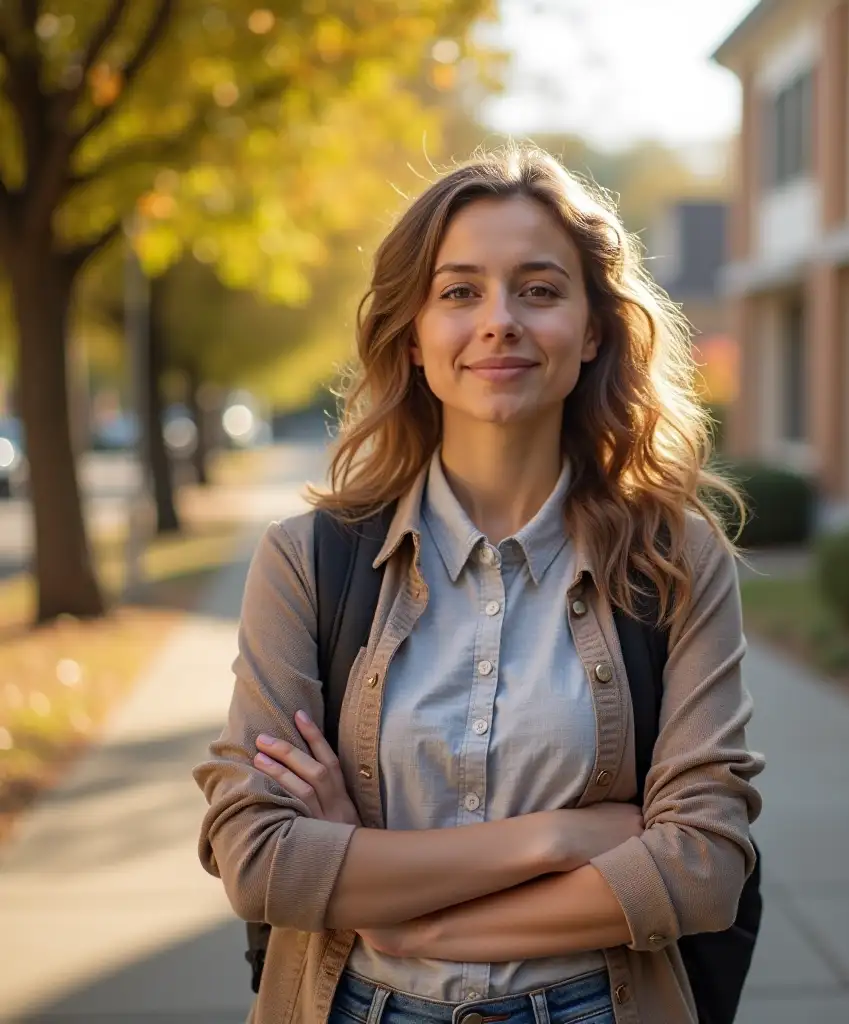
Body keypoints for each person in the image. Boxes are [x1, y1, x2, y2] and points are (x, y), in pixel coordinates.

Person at [194, 145, 764, 1024]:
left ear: (593, 331)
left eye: (539, 289)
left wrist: (401, 907)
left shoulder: (675, 561)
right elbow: (259, 856)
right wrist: (559, 838)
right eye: (460, 292)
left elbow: (702, 868)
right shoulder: (306, 561)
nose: (500, 320)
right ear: (414, 337)